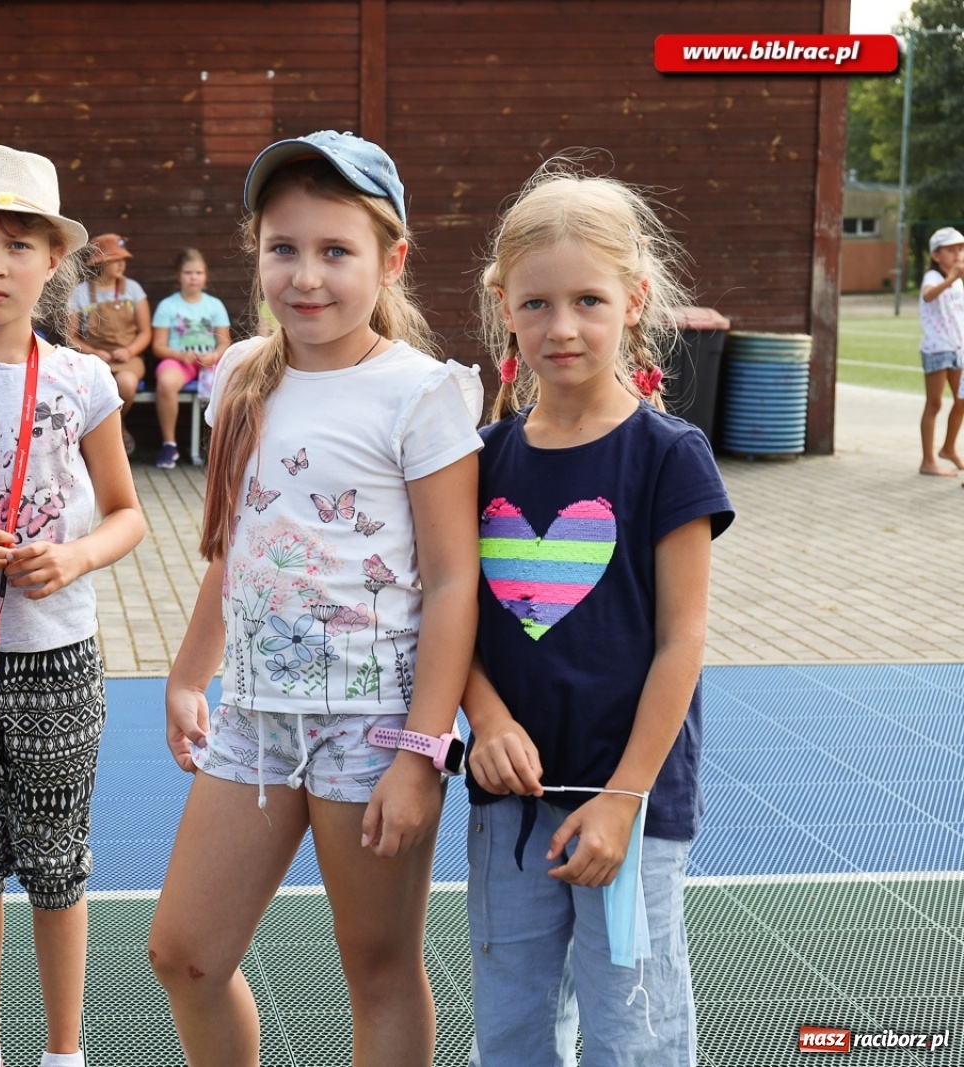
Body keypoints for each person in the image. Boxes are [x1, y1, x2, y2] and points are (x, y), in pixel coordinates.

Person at [147, 131, 485, 1065]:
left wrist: (423, 749)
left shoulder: (422, 395)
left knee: (376, 970)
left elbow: (457, 581)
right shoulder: (241, 375)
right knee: (185, 954)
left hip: (373, 727)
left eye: (336, 251)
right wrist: (187, 674)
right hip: (254, 716)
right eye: (283, 248)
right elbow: (234, 546)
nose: (307, 276)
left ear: (391, 259)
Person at [462, 161, 735, 1066]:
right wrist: (487, 716)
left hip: (630, 806)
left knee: (634, 1029)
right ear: (505, 306)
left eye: (587, 299)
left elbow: (681, 640)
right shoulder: (481, 459)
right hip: (513, 808)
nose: (562, 326)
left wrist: (623, 798)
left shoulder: (670, 457)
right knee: (512, 1024)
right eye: (536, 303)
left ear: (635, 298)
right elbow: (448, 615)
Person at [0, 144, 147, 1067]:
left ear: (54, 263)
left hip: (56, 655)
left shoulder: (83, 381)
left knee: (56, 862)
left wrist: (75, 556)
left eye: (17, 244)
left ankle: (64, 1052)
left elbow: (127, 515)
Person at [65, 232, 151, 454]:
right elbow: (70, 336)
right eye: (116, 260)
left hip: (128, 358)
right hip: (94, 358)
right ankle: (105, 433)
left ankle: (115, 426)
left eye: (123, 260)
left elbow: (145, 332)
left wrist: (129, 350)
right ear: (101, 263)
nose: (121, 265)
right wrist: (94, 352)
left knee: (126, 384)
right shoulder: (81, 293)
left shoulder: (132, 289)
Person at [150, 248, 232, 468]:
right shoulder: (168, 306)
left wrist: (214, 355)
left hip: (209, 362)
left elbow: (225, 343)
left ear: (205, 275)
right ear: (179, 275)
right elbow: (158, 346)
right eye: (188, 272)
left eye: (198, 272)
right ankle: (170, 444)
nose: (193, 277)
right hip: (179, 361)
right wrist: (180, 354)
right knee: (166, 382)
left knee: (232, 384)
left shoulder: (214, 305)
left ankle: (223, 445)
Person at [918, 225, 964, 477]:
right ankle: (927, 461)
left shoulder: (958, 282)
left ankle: (948, 448)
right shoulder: (934, 278)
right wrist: (951, 279)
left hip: (958, 349)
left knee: (961, 401)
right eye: (951, 250)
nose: (958, 254)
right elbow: (928, 296)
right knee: (934, 404)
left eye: (961, 249)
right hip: (937, 349)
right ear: (936, 255)